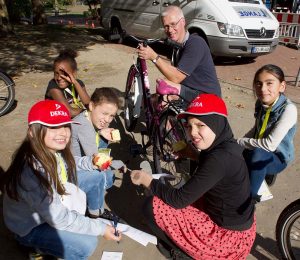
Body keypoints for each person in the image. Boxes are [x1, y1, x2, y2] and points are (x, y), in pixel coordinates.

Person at [130, 94, 256, 259]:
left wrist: (146, 179)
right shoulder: (227, 145)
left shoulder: (219, 159)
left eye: (200, 125)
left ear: (217, 123)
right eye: (189, 126)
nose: (192, 133)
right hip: (239, 227)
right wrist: (193, 154)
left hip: (227, 240)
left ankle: (183, 254)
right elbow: (216, 168)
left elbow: (178, 200)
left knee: (151, 205)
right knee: (172, 193)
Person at [2, 100, 121, 260]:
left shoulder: (50, 149)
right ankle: (34, 246)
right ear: (32, 132)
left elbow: (69, 163)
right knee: (87, 244)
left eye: (65, 125)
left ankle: (94, 214)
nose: (63, 132)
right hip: (29, 227)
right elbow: (59, 218)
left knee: (96, 176)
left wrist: (91, 162)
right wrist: (100, 228)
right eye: (52, 127)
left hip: (49, 205)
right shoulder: (33, 172)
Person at [237, 64, 297, 201]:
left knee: (257, 154)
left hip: (277, 157)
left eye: (269, 83)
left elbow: (270, 145)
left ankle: (249, 200)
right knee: (236, 155)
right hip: (259, 148)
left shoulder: (289, 109)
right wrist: (236, 143)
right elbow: (256, 129)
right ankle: (256, 178)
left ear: (282, 86)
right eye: (258, 84)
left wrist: (241, 142)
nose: (263, 89)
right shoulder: (260, 103)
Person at [137, 5, 221, 103]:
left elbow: (176, 77)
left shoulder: (196, 43)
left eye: (173, 24)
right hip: (191, 90)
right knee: (158, 91)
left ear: (183, 22)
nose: (170, 30)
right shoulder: (178, 46)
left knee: (164, 97)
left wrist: (154, 57)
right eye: (166, 26)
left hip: (208, 97)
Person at [71, 87, 121, 219]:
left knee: (107, 174)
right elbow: (97, 160)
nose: (108, 119)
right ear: (92, 106)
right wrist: (119, 165)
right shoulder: (84, 127)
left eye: (111, 116)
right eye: (104, 113)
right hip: (72, 170)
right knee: (105, 178)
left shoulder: (86, 118)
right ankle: (94, 212)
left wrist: (100, 131)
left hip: (80, 162)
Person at [45, 49, 90, 117]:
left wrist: (75, 83)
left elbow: (89, 104)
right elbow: (69, 112)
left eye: (64, 74)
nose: (59, 78)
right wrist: (89, 112)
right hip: (54, 123)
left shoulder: (78, 83)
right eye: (56, 73)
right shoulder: (53, 86)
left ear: (74, 74)